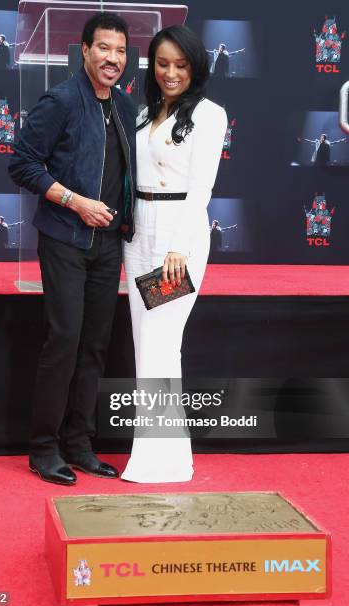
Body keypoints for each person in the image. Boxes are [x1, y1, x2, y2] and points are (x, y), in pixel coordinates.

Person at [8, 12, 136, 485]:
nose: (113, 58)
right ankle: (44, 449)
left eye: (121, 51)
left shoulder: (123, 107)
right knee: (64, 341)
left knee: (95, 346)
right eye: (104, 48)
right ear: (84, 51)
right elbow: (22, 163)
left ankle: (79, 444)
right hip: (65, 237)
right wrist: (75, 201)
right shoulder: (60, 100)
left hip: (108, 245)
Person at [121, 25, 227, 483]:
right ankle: (164, 456)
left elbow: (202, 187)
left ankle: (160, 460)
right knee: (145, 341)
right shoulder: (145, 114)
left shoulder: (210, 114)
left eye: (180, 65)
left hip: (176, 241)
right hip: (138, 235)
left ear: (195, 67)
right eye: (162, 63)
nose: (170, 73)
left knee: (161, 341)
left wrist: (178, 247)